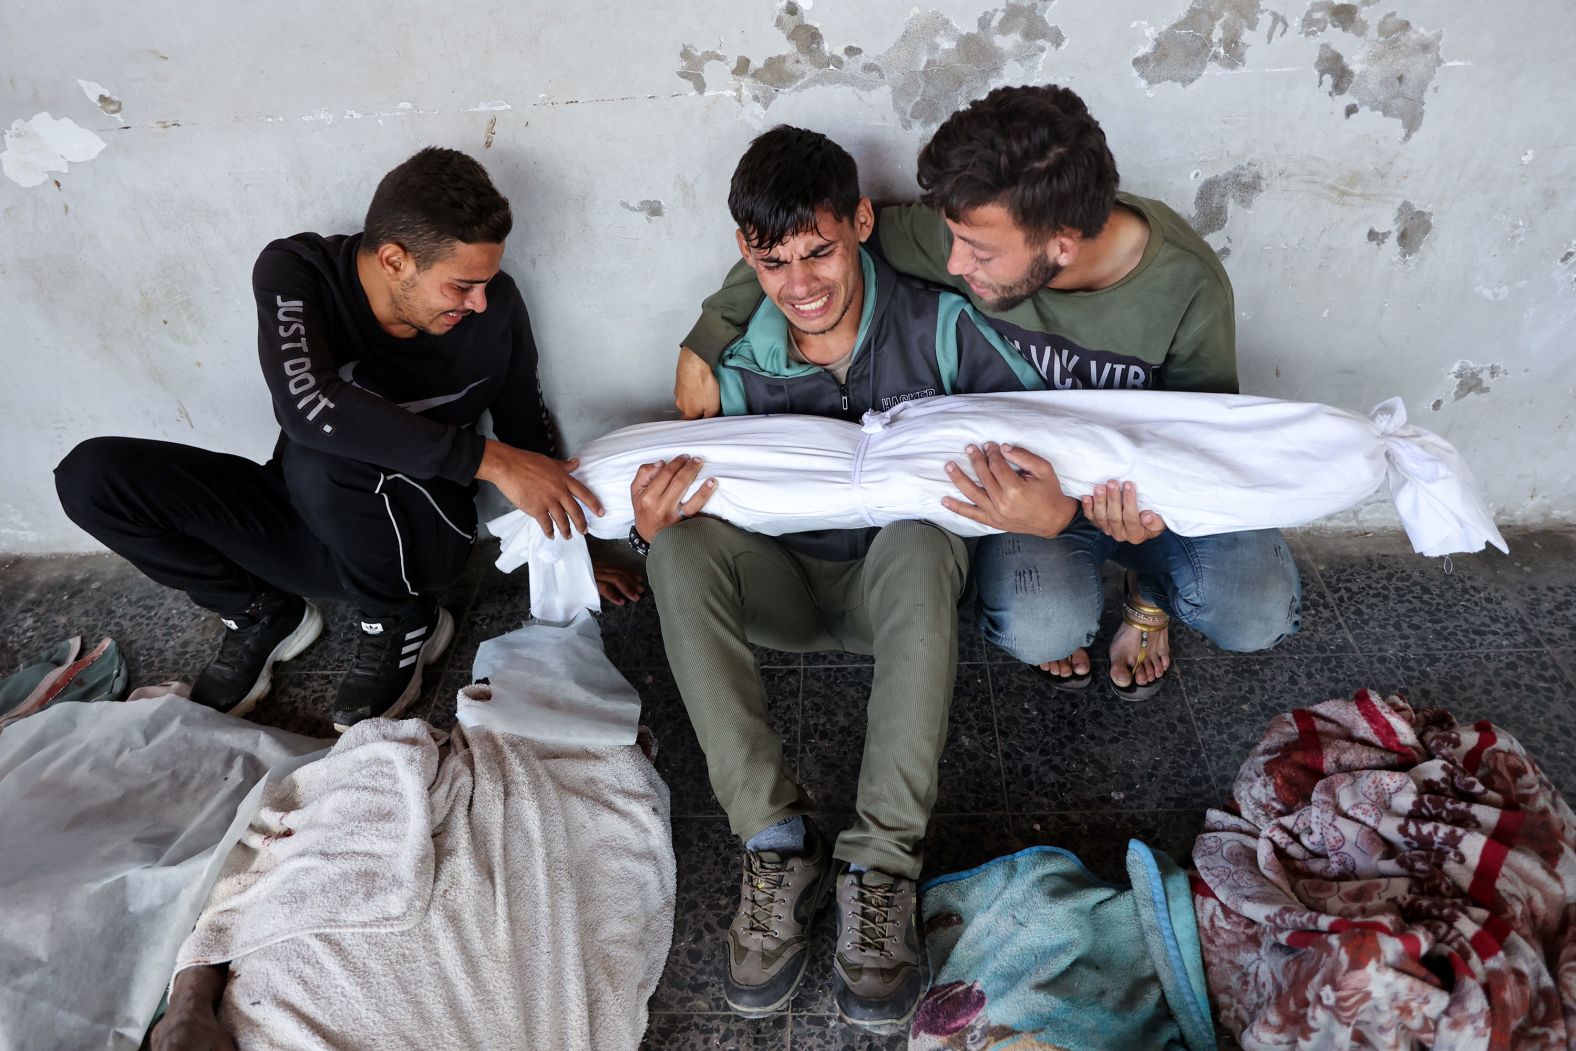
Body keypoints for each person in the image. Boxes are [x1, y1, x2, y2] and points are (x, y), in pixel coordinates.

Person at [672, 84, 1301, 701]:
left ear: (1060, 244)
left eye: (977, 253)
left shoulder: (1185, 284)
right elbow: (799, 243)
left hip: (1139, 485)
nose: (953, 266)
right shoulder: (970, 220)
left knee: (1256, 608)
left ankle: (1151, 595)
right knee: (1042, 624)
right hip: (1023, 491)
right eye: (954, 239)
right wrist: (707, 335)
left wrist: (1143, 514)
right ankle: (1063, 602)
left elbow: (1202, 437)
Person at [633, 126, 1046, 1032]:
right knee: (677, 543)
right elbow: (691, 490)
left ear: (863, 222)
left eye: (820, 249)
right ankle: (776, 846)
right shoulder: (738, 365)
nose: (802, 283)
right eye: (775, 262)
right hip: (783, 589)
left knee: (921, 531)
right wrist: (647, 523)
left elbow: (1042, 433)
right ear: (747, 254)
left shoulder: (941, 325)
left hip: (902, 595)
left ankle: (880, 866)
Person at [55, 147, 638, 731]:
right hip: (310, 511)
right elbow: (307, 408)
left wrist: (572, 552)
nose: (479, 302)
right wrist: (490, 461)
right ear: (393, 260)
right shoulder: (298, 271)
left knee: (322, 459)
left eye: (485, 284)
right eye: (461, 286)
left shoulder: (497, 306)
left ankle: (404, 618)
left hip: (420, 536)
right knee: (93, 475)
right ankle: (260, 614)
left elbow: (524, 428)